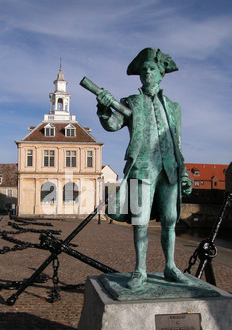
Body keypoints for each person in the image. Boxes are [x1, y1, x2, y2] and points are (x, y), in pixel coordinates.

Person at [96, 47, 192, 289]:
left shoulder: (174, 107)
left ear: (161, 74)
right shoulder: (131, 102)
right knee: (140, 221)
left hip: (169, 168)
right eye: (144, 70)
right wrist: (103, 108)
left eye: (152, 69)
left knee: (170, 219)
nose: (148, 72)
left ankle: (170, 266)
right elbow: (112, 124)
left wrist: (184, 172)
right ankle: (140, 270)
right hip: (142, 166)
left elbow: (177, 143)